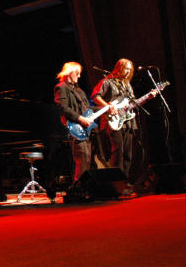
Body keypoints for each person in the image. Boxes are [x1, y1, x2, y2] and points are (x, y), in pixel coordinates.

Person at [91, 58, 137, 185]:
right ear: (119, 68)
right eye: (126, 69)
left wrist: (148, 97)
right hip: (113, 121)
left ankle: (125, 182)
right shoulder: (108, 81)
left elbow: (132, 103)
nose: (128, 72)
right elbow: (95, 96)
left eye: (130, 70)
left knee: (127, 154)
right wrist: (108, 106)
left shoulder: (127, 85)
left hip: (127, 121)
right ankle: (115, 183)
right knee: (118, 152)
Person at [54, 62, 93, 190]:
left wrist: (106, 108)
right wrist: (80, 118)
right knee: (82, 157)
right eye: (77, 73)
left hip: (84, 128)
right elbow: (63, 107)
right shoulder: (61, 87)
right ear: (70, 73)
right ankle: (77, 189)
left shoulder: (79, 90)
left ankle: (85, 188)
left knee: (87, 158)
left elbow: (88, 108)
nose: (79, 76)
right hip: (74, 127)